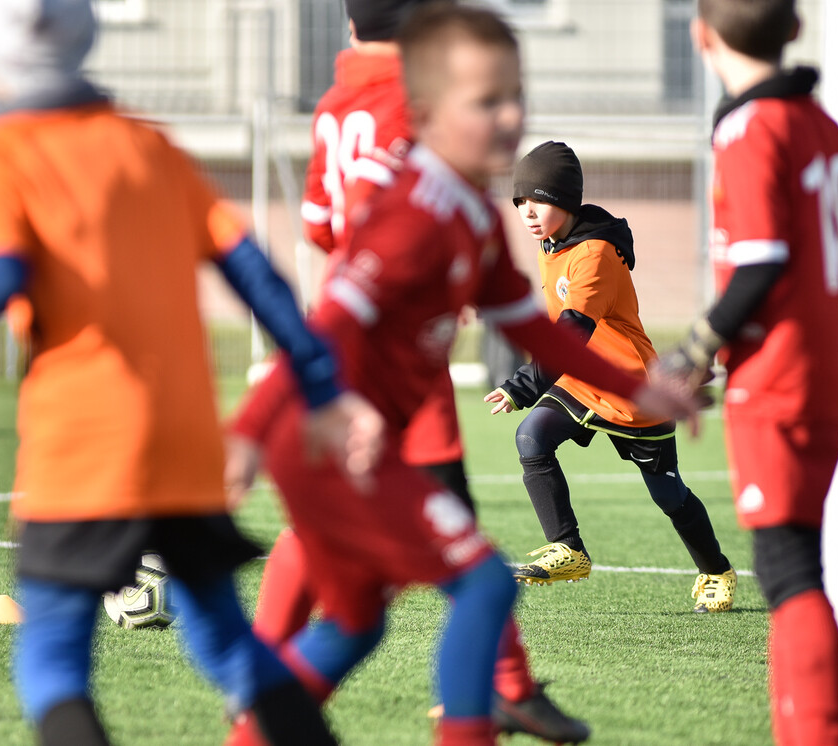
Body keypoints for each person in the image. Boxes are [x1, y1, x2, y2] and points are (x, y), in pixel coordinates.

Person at [0, 1, 385, 744]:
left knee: (51, 661)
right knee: (226, 644)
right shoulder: (151, 146)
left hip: (82, 445)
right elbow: (256, 273)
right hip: (181, 443)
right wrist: (321, 386)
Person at [223, 5, 699, 745]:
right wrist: (249, 432)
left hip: (366, 441)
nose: (508, 117)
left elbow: (535, 328)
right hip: (331, 439)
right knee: (478, 582)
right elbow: (332, 327)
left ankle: (256, 724)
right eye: (486, 101)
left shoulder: (471, 211)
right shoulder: (413, 210)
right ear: (424, 110)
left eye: (515, 95)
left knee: (354, 622)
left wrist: (643, 387)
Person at [255, 0, 586, 739]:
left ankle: (265, 683)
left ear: (348, 27)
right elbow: (394, 221)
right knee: (461, 561)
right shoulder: (406, 103)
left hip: (362, 342)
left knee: (346, 566)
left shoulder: (336, 103)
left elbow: (320, 230)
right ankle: (498, 688)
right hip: (390, 352)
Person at [660, 0, 838, 742]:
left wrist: (693, 349)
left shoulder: (748, 126)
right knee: (801, 558)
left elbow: (760, 261)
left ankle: (821, 732)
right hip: (824, 374)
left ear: (700, 36)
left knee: (791, 572)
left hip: (777, 378)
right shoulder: (820, 122)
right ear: (795, 30)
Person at [483, 141, 737, 613]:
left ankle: (716, 570)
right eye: (519, 202)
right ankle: (568, 548)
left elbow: (571, 332)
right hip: (581, 380)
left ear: (566, 201)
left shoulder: (595, 253)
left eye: (537, 200)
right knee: (531, 436)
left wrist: (521, 384)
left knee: (668, 493)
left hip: (632, 388)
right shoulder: (551, 244)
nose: (527, 212)